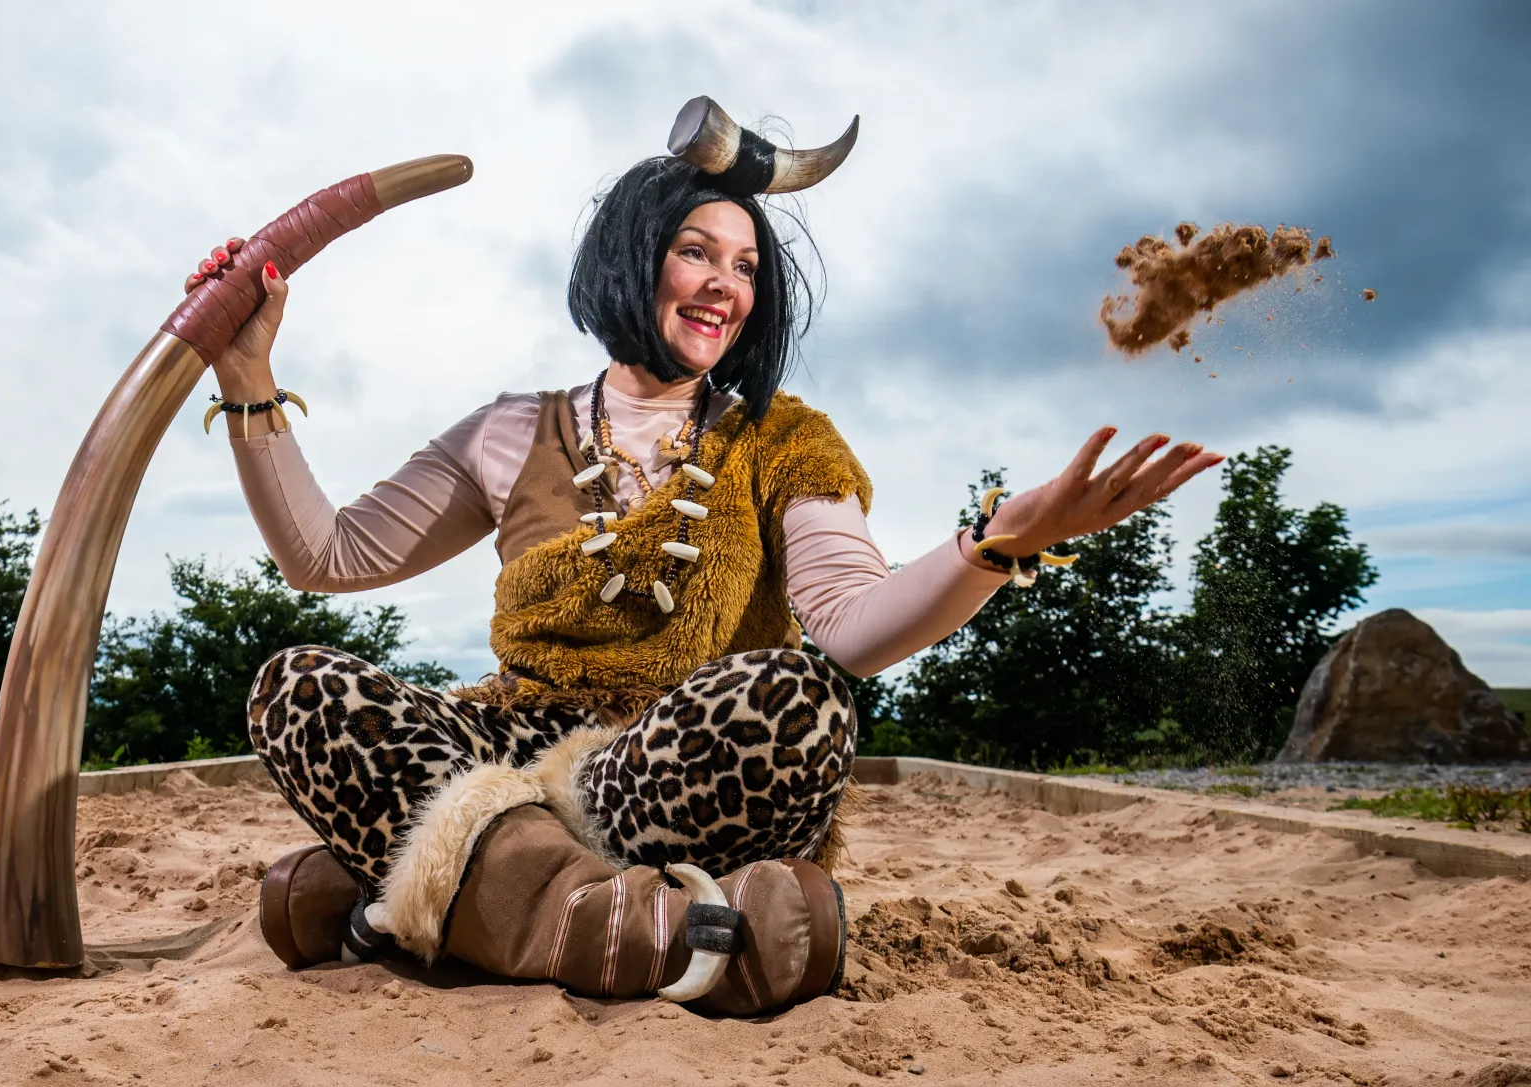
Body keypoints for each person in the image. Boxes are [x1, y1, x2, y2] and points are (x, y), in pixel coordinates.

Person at [211, 99, 1222, 1013]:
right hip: (506, 759)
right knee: (298, 688)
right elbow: (327, 554)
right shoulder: (508, 430)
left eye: (746, 268)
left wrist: (994, 544)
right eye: (697, 252)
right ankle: (629, 929)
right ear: (632, 255)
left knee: (799, 700)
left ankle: (430, 902)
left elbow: (850, 629)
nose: (724, 287)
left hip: (661, 777)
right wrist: (249, 373)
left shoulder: (787, 438)